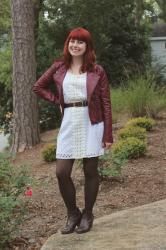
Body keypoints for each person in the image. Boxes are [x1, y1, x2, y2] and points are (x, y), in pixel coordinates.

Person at [32, 27, 113, 234]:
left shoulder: (97, 70)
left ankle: (88, 214)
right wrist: (58, 100)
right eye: (72, 41)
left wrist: (108, 134)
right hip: (69, 121)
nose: (75, 45)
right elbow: (38, 86)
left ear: (87, 46)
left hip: (92, 122)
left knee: (90, 171)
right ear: (68, 44)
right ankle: (73, 212)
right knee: (61, 172)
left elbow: (105, 102)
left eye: (80, 42)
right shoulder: (59, 67)